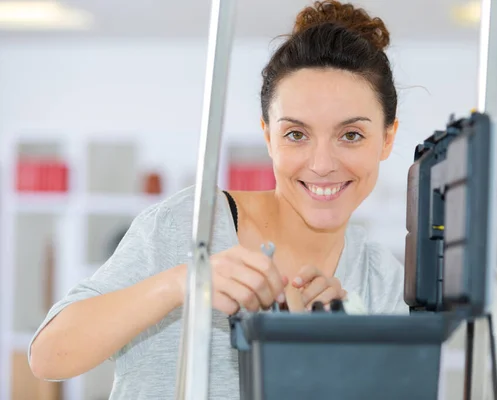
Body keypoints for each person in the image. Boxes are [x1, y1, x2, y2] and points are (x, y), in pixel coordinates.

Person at [28, 1, 409, 398]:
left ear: (387, 138)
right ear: (268, 137)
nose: (322, 164)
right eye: (296, 134)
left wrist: (341, 355)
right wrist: (184, 282)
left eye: (351, 135)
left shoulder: (381, 282)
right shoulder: (192, 226)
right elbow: (50, 356)